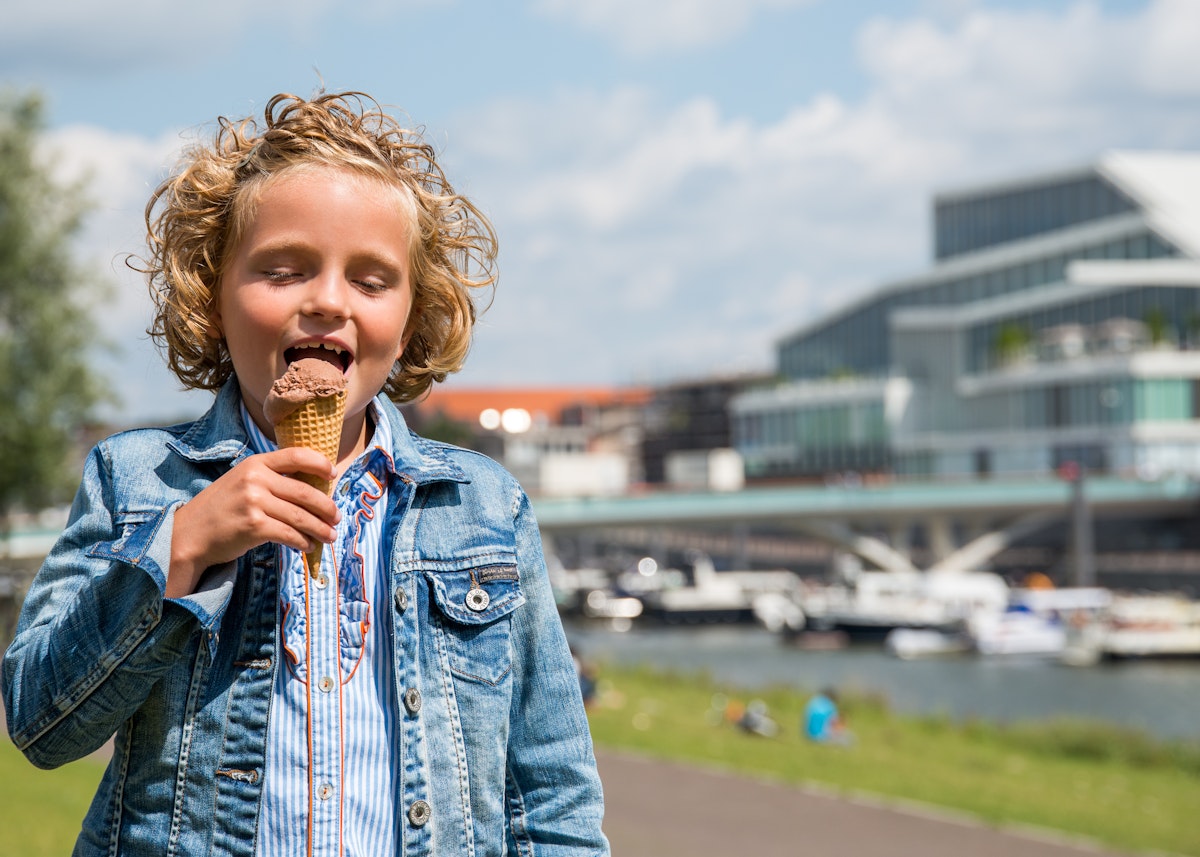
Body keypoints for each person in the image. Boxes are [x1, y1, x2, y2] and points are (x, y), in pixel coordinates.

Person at [1, 91, 609, 857]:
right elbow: (41, 723)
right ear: (211, 295)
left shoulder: (485, 506)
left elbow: (551, 789)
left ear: (413, 314)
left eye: (371, 280)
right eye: (283, 271)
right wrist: (180, 549)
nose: (326, 300)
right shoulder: (137, 481)